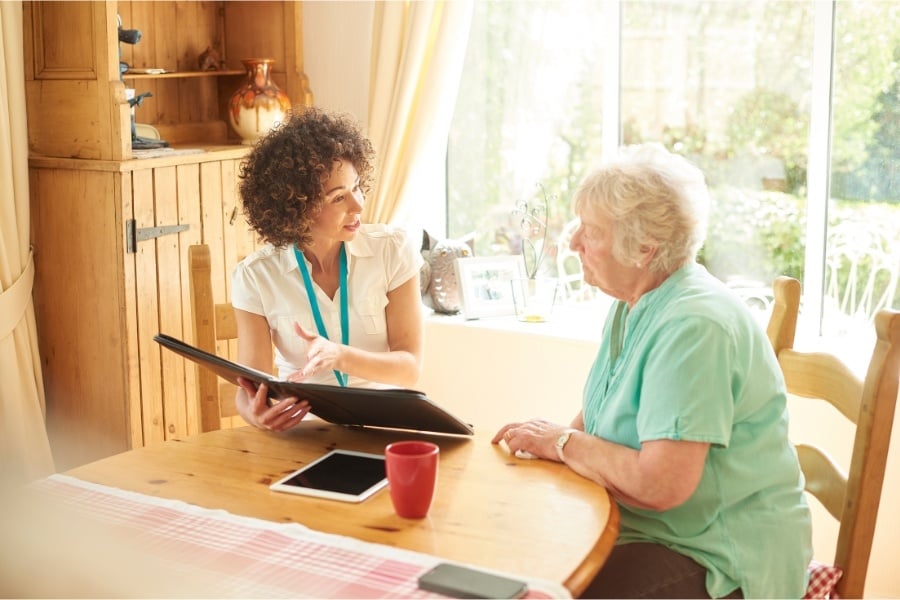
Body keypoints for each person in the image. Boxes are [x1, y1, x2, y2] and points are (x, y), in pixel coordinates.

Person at [493, 143, 812, 599]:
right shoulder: (636, 303)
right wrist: (552, 442)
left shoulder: (695, 326)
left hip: (719, 559)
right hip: (654, 533)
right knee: (514, 568)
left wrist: (562, 442)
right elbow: (600, 415)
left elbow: (660, 485)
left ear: (644, 249)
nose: (574, 242)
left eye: (591, 231)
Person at [231, 107, 424, 432]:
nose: (359, 205)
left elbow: (409, 368)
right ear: (297, 208)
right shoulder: (255, 276)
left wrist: (340, 356)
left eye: (357, 187)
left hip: (386, 428)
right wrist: (255, 414)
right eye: (338, 198)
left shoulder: (392, 250)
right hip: (302, 432)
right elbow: (248, 388)